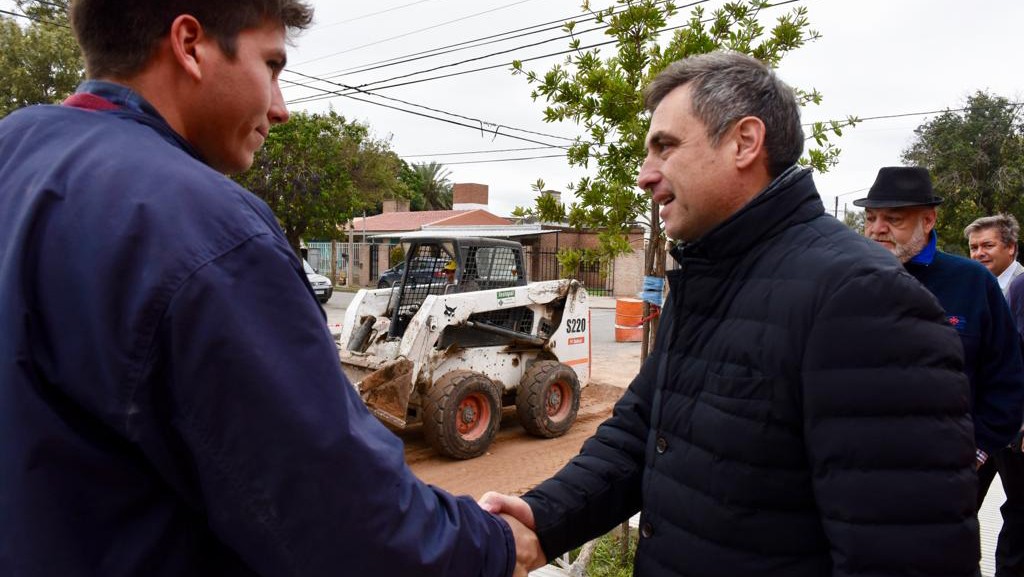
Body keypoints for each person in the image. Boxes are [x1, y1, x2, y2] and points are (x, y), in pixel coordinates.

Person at [0, 2, 533, 576]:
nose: (280, 108)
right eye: (272, 66)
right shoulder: (207, 229)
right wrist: (495, 544)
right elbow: (340, 520)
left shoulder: (17, 151)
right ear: (189, 44)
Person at [481, 51, 979, 577]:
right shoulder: (707, 277)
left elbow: (907, 554)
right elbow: (643, 432)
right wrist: (542, 519)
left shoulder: (863, 299)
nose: (646, 176)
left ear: (744, 142)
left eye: (666, 147)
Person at [855, 167, 1024, 476]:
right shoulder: (847, 281)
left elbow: (1007, 376)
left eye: (893, 219)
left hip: (945, 474)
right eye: (870, 218)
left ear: (928, 220)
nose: (877, 229)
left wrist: (976, 449)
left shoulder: (971, 283)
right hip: (859, 469)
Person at [966, 214, 1024, 297]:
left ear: (1011, 247)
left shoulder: (1021, 287)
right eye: (974, 248)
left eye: (988, 245)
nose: (979, 253)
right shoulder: (973, 288)